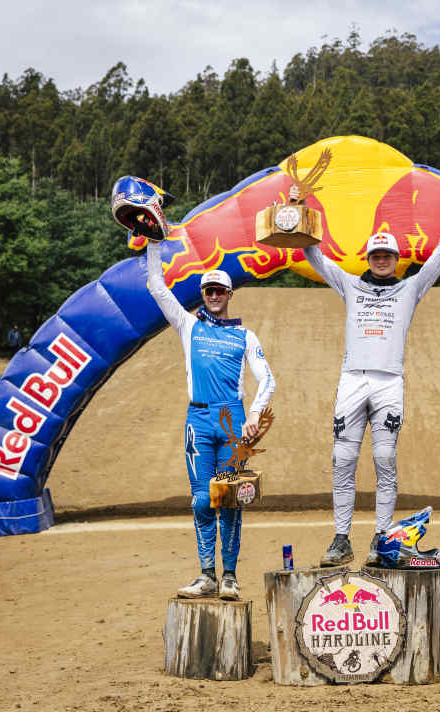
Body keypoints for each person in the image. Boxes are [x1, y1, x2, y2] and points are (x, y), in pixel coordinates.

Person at [292, 173, 440, 567]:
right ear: (368, 258)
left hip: (390, 382)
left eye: (388, 255)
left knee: (385, 460)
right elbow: (313, 255)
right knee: (342, 459)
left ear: (396, 259)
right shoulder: (350, 284)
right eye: (376, 255)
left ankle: (381, 540)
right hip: (352, 380)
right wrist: (296, 210)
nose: (382, 260)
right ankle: (341, 538)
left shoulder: (410, 287)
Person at [145, 241, 275, 600]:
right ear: (202, 294)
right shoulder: (188, 325)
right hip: (197, 420)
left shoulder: (245, 335)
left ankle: (230, 576)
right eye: (209, 291)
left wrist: (252, 415)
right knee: (202, 499)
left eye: (220, 290)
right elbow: (157, 287)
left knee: (229, 498)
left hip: (232, 420)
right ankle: (207, 575)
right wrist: (153, 243)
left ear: (230, 294)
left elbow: (267, 378)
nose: (215, 295)